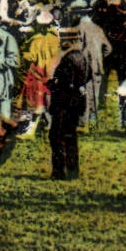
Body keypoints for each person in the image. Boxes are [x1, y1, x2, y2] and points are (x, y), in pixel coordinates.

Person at [46, 30, 91, 180]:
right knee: (71, 137)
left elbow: (64, 84)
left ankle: (59, 172)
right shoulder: (82, 57)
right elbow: (86, 78)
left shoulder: (68, 59)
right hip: (76, 103)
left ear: (67, 42)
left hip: (63, 103)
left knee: (57, 137)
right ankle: (73, 171)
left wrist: (51, 84)